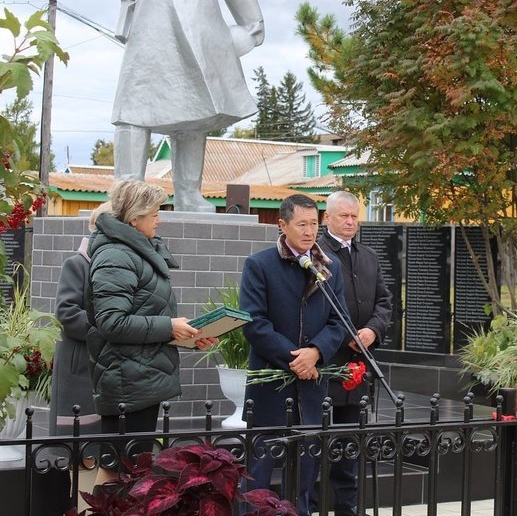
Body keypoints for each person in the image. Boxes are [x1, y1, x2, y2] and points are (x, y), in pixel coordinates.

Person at [86, 180, 216, 487]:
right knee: (117, 470)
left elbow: (145, 316)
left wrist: (189, 335)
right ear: (134, 218)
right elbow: (112, 322)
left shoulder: (134, 252)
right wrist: (169, 326)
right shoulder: (115, 256)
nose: (160, 218)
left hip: (140, 376)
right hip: (126, 380)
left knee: (130, 470)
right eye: (155, 212)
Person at [111, 0, 264, 211]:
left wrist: (253, 24)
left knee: (198, 100)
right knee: (134, 101)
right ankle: (127, 191)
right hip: (155, 3)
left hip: (200, 7)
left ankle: (188, 193)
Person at [240, 193, 348, 516]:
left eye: (314, 223)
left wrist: (315, 352)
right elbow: (254, 324)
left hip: (311, 390)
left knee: (303, 478)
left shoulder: (330, 267)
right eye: (301, 224)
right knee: (256, 478)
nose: (309, 231)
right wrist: (295, 359)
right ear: (282, 224)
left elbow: (338, 321)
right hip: (270, 392)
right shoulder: (259, 265)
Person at [315, 191, 392, 516]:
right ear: (327, 218)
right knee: (317, 446)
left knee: (350, 446)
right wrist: (346, 335)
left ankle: (348, 509)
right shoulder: (316, 253)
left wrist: (372, 331)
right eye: (343, 216)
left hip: (359, 365)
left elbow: (385, 302)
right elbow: (315, 304)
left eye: (354, 216)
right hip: (325, 364)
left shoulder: (369, 256)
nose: (350, 222)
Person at [50, 202, 111, 439]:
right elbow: (67, 312)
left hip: (103, 365)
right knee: (81, 443)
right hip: (81, 364)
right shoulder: (77, 264)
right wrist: (108, 327)